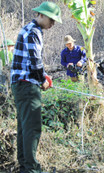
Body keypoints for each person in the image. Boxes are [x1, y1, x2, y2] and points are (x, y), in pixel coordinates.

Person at [10, 2, 62, 173]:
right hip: (27, 86)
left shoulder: (29, 29)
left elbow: (32, 61)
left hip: (21, 84)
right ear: (41, 15)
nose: (52, 24)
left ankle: (25, 165)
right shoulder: (33, 32)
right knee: (32, 128)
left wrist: (44, 76)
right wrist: (42, 81)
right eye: (51, 19)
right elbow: (35, 62)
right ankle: (31, 169)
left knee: (24, 127)